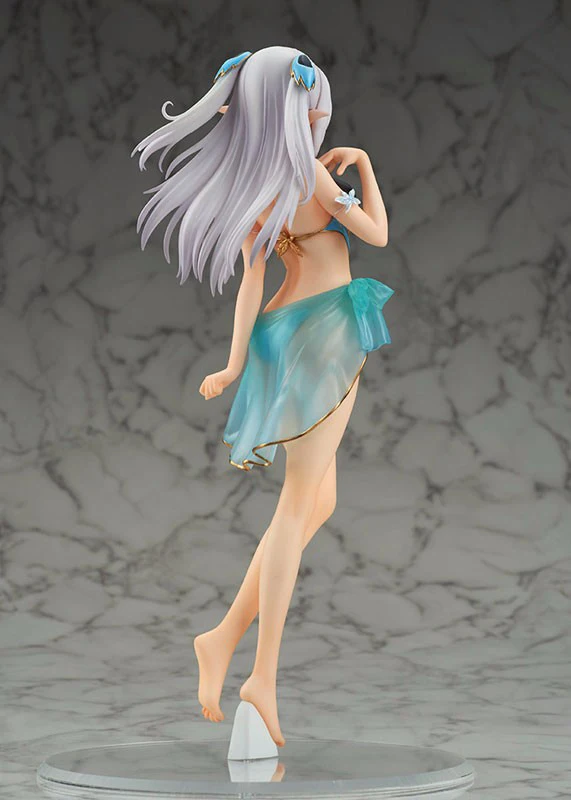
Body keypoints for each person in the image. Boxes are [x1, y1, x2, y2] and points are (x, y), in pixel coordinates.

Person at [131, 45, 393, 748]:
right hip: (322, 336)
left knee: (318, 502)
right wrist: (365, 166)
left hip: (286, 333)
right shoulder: (310, 175)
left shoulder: (259, 185)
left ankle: (221, 638)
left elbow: (252, 284)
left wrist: (235, 362)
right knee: (297, 506)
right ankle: (261, 677)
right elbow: (376, 233)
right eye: (309, 102)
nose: (315, 113)